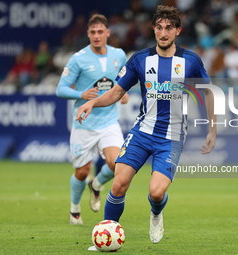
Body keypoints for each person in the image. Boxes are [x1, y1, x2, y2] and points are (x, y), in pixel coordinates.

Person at [76, 5, 216, 244]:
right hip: (142, 132)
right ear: (153, 29)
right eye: (159, 28)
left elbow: (209, 93)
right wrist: (92, 103)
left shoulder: (190, 61)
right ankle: (107, 235)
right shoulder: (141, 59)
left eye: (169, 28)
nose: (163, 33)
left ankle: (157, 211)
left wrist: (213, 129)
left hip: (171, 137)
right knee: (119, 183)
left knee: (156, 192)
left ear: (178, 31)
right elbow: (116, 92)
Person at [56, 14, 128, 225]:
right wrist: (81, 94)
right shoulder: (78, 58)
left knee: (118, 164)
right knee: (81, 171)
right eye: (92, 32)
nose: (96, 36)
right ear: (88, 34)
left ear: (108, 33)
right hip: (84, 122)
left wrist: (123, 92)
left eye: (100, 32)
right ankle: (75, 209)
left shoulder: (119, 55)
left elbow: (123, 79)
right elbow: (60, 89)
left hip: (109, 121)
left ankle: (96, 185)